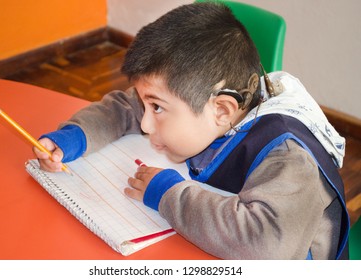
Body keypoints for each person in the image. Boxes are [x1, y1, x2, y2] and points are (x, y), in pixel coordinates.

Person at [33, 2, 349, 259]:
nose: (145, 121)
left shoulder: (291, 160)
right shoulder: (213, 100)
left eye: (157, 108)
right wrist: (74, 137)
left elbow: (263, 245)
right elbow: (125, 106)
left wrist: (169, 194)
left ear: (222, 110)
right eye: (148, 105)